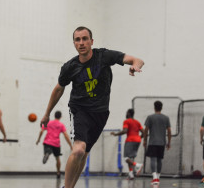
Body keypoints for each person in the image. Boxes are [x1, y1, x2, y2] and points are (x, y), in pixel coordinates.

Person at [40, 26, 144, 188]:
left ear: (91, 41)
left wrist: (135, 66)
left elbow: (136, 59)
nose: (81, 43)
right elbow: (58, 89)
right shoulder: (69, 67)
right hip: (80, 110)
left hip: (101, 113)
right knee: (79, 150)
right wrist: (47, 114)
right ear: (74, 43)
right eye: (77, 39)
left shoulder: (104, 56)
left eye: (84, 39)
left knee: (84, 153)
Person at [36, 110, 73, 178]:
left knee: (47, 151)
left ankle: (47, 153)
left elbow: (41, 131)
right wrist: (70, 145)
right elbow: (65, 135)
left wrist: (38, 140)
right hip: (56, 144)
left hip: (47, 142)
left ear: (54, 115)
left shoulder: (49, 123)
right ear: (60, 117)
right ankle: (58, 172)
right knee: (57, 158)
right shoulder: (61, 125)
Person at [143, 101, 171, 185]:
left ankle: (154, 178)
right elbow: (169, 131)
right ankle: (158, 177)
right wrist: (169, 142)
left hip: (152, 142)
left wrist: (144, 140)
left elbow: (146, 130)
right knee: (159, 160)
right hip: (162, 142)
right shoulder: (166, 118)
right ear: (161, 107)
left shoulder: (150, 117)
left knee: (153, 159)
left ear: (154, 107)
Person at [111, 108, 144, 180]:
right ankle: (131, 175)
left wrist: (116, 134)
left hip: (130, 140)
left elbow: (125, 131)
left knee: (126, 158)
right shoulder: (137, 122)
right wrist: (138, 138)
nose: (126, 114)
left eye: (126, 113)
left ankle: (137, 165)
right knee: (131, 158)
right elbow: (144, 132)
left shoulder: (126, 121)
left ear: (129, 113)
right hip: (137, 140)